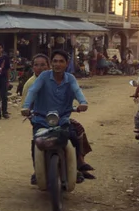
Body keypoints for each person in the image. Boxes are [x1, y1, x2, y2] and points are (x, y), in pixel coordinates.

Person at [22, 54, 95, 184]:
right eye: (55, 61)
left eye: (61, 61)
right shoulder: (43, 77)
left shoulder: (70, 78)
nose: (58, 64)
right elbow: (32, 92)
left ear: (67, 63)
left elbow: (77, 91)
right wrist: (26, 107)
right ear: (52, 64)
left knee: (73, 136)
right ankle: (37, 172)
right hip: (41, 118)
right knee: (36, 143)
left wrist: (83, 102)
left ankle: (76, 167)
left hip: (62, 119)